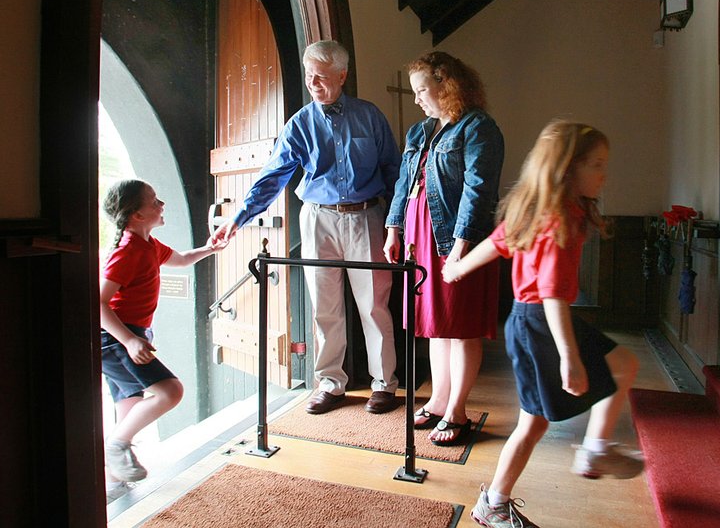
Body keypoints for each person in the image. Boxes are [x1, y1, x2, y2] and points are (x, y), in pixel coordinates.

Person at [442, 121, 643, 527]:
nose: (604, 174)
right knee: (534, 423)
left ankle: (595, 448)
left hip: (539, 319)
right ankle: (495, 502)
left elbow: (497, 242)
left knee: (621, 365)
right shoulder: (557, 220)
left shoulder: (544, 209)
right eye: (597, 165)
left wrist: (459, 267)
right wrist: (569, 356)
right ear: (568, 169)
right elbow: (551, 291)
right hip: (540, 322)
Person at [211, 40, 401, 415]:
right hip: (318, 219)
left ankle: (385, 383)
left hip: (367, 217)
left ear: (342, 76)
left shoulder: (370, 116)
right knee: (324, 307)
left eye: (322, 76)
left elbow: (393, 171)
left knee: (375, 304)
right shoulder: (299, 123)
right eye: (309, 74)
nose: (313, 82)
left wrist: (398, 224)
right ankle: (331, 383)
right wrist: (239, 217)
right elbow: (273, 176)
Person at [384, 51, 504, 446]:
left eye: (422, 90)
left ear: (446, 84)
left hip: (456, 238)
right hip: (420, 236)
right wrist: (393, 228)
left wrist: (462, 246)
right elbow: (405, 182)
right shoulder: (420, 132)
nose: (417, 98)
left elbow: (478, 190)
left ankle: (458, 412)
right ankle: (437, 400)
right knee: (436, 326)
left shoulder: (478, 127)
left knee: (462, 326)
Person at [100, 179, 228, 503]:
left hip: (130, 334)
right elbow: (98, 302)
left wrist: (210, 248)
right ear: (136, 214)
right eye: (154, 201)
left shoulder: (148, 244)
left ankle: (113, 485)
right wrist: (129, 340)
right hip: (114, 336)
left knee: (129, 406)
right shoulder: (127, 250)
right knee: (170, 391)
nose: (162, 204)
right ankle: (114, 446)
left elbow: (182, 259)